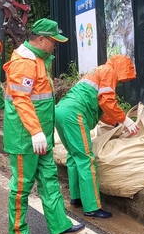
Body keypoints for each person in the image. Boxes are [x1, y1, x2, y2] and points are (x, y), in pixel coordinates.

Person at [3, 18, 85, 234]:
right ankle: (17, 230)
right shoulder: (25, 62)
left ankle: (60, 225)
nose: (55, 46)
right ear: (41, 40)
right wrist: (35, 131)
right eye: (53, 41)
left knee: (49, 178)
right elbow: (21, 99)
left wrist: (42, 133)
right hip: (25, 137)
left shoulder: (38, 59)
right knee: (22, 184)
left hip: (40, 136)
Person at [55, 54, 139, 219]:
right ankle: (92, 207)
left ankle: (77, 197)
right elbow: (107, 102)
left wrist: (115, 123)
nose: (121, 82)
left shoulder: (98, 71)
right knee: (86, 159)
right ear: (121, 67)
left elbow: (100, 108)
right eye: (123, 78)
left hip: (60, 111)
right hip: (74, 115)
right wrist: (126, 120)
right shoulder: (109, 71)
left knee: (74, 156)